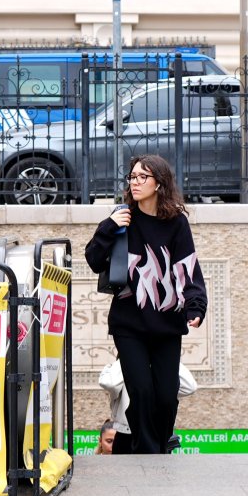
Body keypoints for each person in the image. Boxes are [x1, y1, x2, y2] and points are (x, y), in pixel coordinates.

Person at [84, 154, 208, 455]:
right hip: (129, 323)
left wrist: (196, 305)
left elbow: (187, 266)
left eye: (143, 177)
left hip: (166, 322)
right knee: (140, 392)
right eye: (132, 176)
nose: (135, 182)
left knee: (166, 396)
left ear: (159, 183)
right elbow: (93, 259)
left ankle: (158, 446)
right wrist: (108, 227)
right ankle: (149, 455)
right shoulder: (122, 217)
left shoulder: (176, 223)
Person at [98, 357, 199, 454]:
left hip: (156, 435)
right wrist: (127, 356)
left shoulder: (160, 374)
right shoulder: (119, 372)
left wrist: (166, 357)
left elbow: (189, 387)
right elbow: (109, 383)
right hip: (127, 435)